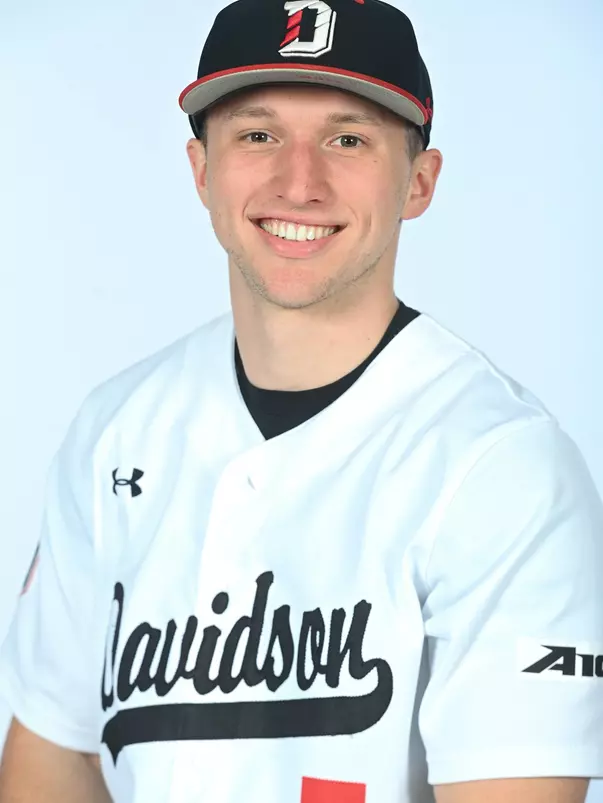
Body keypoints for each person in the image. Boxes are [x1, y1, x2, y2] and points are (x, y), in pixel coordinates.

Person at [0, 0, 602, 801]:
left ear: (418, 183)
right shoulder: (113, 432)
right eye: (258, 135)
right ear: (201, 170)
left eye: (347, 139)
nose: (299, 181)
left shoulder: (502, 464)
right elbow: (54, 755)